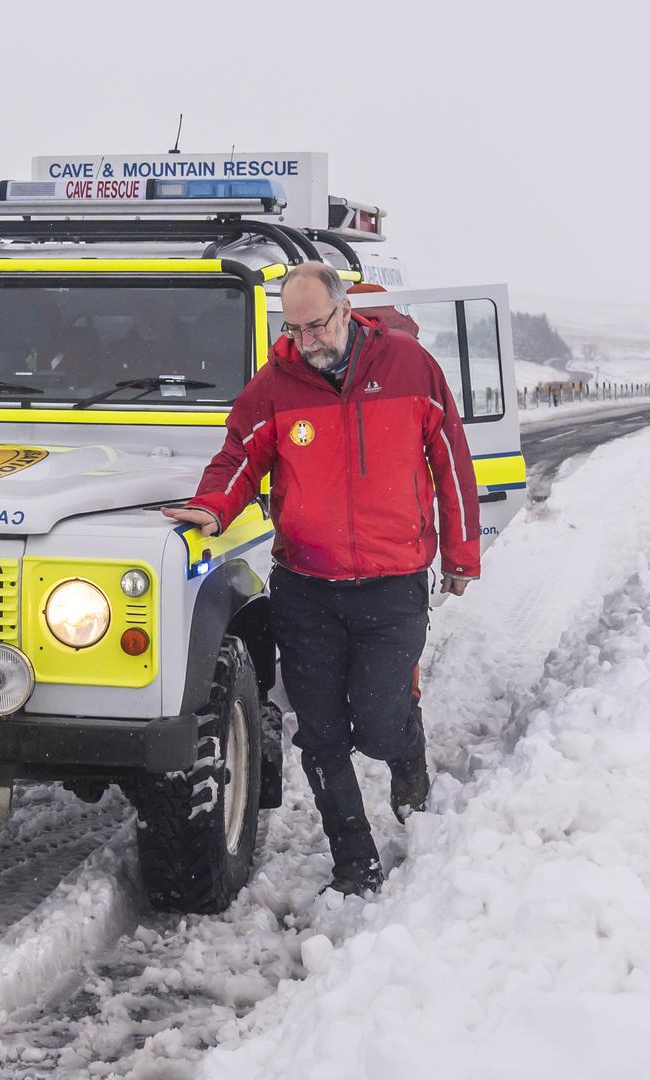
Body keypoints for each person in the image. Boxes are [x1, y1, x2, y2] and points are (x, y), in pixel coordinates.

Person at [163, 262, 480, 898]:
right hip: (307, 585)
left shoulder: (410, 367)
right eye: (295, 329)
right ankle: (353, 859)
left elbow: (451, 459)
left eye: (317, 326)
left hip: (393, 583)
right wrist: (212, 504)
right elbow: (239, 456)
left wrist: (461, 552)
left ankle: (406, 747)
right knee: (322, 730)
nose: (306, 341)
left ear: (345, 309)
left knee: (378, 720)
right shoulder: (275, 385)